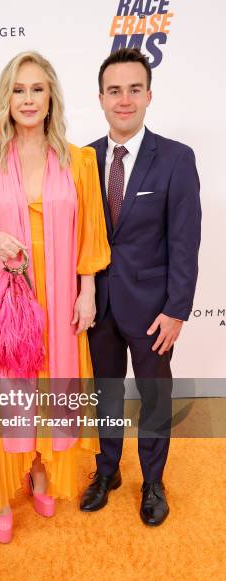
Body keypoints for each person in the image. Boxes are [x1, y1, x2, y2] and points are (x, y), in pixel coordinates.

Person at [0, 51, 110, 543]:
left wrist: (87, 294)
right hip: (7, 299)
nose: (27, 99)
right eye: (18, 89)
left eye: (37, 89)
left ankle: (40, 472)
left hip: (61, 295)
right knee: (6, 388)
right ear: (7, 97)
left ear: (51, 97)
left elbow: (91, 234)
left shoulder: (78, 159)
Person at [80, 48, 201, 525]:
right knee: (106, 393)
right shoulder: (82, 159)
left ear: (148, 95)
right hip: (98, 306)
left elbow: (186, 239)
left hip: (153, 309)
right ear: (101, 98)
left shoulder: (175, 158)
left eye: (134, 89)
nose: (124, 100)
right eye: (115, 91)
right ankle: (106, 470)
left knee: (153, 396)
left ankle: (152, 481)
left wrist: (177, 310)